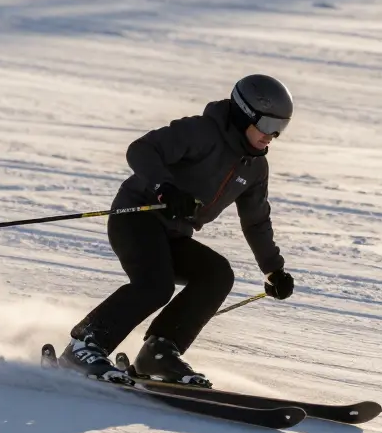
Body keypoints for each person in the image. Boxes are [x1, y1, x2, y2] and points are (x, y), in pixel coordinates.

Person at [59, 74, 297, 385]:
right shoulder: (200, 132)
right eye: (267, 125)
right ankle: (84, 345)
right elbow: (141, 149)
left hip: (174, 235)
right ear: (244, 115)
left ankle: (158, 352)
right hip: (136, 217)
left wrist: (273, 270)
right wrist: (164, 189)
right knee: (155, 286)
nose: (272, 136)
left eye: (281, 129)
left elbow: (255, 221)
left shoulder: (254, 167)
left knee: (217, 274)